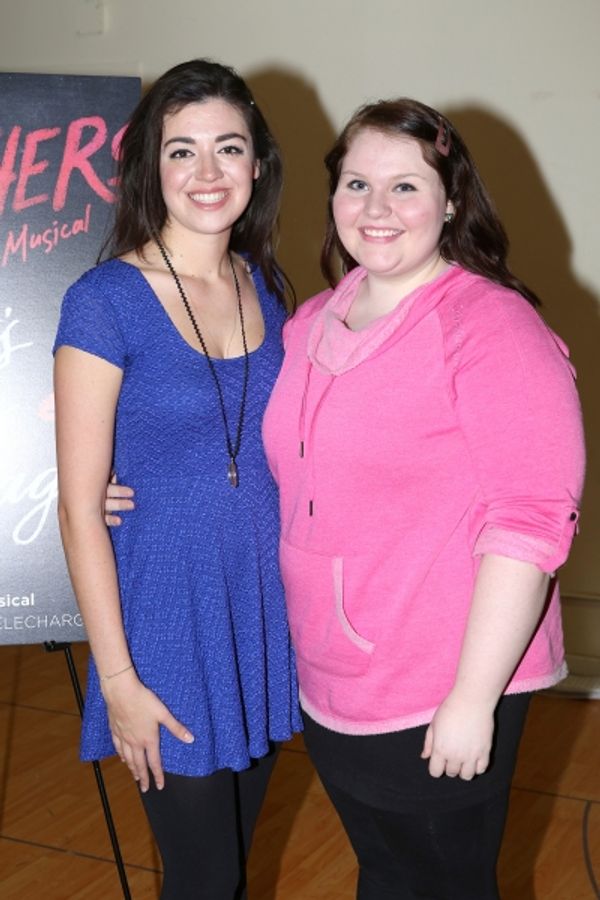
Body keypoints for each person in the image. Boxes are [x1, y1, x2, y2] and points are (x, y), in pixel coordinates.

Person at [261, 99, 585, 898]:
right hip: (335, 674)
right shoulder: (312, 320)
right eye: (357, 184)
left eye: (405, 186)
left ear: (450, 201)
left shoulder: (492, 326)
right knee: (386, 873)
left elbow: (530, 523)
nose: (376, 208)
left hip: (438, 684)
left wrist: (472, 699)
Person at [53, 59, 301, 900]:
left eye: (228, 147)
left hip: (259, 616)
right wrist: (118, 682)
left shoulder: (267, 286)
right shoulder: (104, 300)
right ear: (149, 169)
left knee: (232, 868)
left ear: (257, 164)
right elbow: (80, 510)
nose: (207, 171)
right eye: (181, 150)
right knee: (203, 875)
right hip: (164, 623)